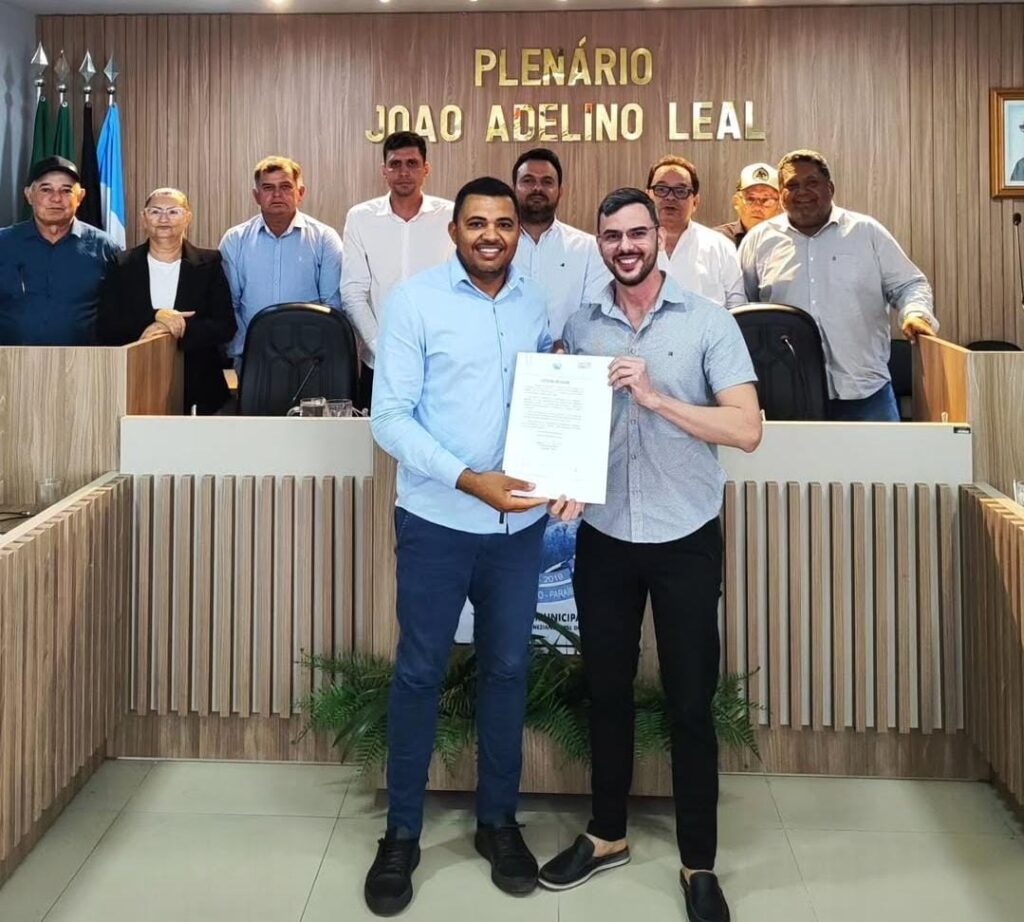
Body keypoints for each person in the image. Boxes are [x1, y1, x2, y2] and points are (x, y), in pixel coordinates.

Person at [538, 187, 761, 922]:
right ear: (599, 243)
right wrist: (563, 478)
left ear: (658, 237)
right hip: (605, 536)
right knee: (606, 692)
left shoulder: (707, 322)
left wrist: (658, 398)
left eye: (638, 233)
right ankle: (606, 834)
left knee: (690, 703)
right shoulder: (581, 323)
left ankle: (699, 863)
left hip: (684, 535)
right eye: (613, 236)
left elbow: (746, 429)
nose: (626, 246)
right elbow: (569, 422)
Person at [366, 176, 581, 916]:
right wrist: (469, 480)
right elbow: (389, 419)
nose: (491, 235)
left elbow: (546, 396)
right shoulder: (414, 301)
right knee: (420, 671)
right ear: (453, 231)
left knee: (508, 670)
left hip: (519, 530)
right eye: (477, 223)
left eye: (504, 224)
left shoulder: (533, 302)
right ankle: (401, 832)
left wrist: (564, 456)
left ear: (519, 232)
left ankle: (498, 822)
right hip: (437, 521)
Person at [739, 149, 938, 421]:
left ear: (830, 188)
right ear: (782, 194)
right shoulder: (759, 240)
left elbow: (909, 284)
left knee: (881, 453)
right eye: (792, 186)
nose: (802, 192)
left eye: (812, 183)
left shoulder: (866, 232)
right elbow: (742, 307)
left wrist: (916, 313)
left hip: (865, 393)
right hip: (786, 395)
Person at [98, 188, 236, 414]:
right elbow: (107, 325)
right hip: (136, 380)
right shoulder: (121, 264)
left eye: (173, 211)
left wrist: (174, 327)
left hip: (199, 384)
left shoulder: (209, 263)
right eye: (155, 212)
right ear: (144, 218)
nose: (164, 219)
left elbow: (225, 325)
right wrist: (155, 316)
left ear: (188, 218)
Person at [341, 131, 454, 409]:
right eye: (395, 164)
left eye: (412, 163)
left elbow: (458, 287)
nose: (404, 172)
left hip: (438, 363)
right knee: (378, 436)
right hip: (379, 364)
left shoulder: (450, 216)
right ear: (384, 170)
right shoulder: (361, 218)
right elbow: (353, 292)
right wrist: (382, 347)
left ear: (426, 168)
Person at [219, 156, 343, 365]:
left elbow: (332, 305)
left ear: (300, 193)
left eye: (285, 187)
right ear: (256, 196)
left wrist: (313, 350)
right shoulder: (235, 240)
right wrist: (246, 350)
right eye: (268, 188)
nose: (277, 195)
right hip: (253, 357)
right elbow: (229, 305)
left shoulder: (324, 238)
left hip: (311, 358)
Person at [0, 155, 118, 345]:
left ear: (80, 197)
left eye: (66, 191)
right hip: (10, 362)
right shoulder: (3, 243)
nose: (56, 198)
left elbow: (123, 310)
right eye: (46, 189)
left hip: (84, 361)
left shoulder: (105, 248)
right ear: (29, 195)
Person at [511, 147, 610, 341]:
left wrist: (564, 346)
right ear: (514, 187)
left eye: (547, 182)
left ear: (560, 191)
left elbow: (593, 316)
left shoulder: (588, 249)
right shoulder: (496, 247)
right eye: (528, 181)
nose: (537, 188)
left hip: (567, 356)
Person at [646, 155, 745, 308]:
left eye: (680, 191)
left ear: (695, 202)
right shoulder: (628, 246)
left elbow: (738, 308)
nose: (670, 197)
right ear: (647, 196)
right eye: (661, 189)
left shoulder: (721, 246)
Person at [714, 162, 781, 248]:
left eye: (766, 200)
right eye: (750, 199)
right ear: (736, 202)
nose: (757, 207)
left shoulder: (788, 242)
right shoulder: (717, 240)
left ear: (779, 206)